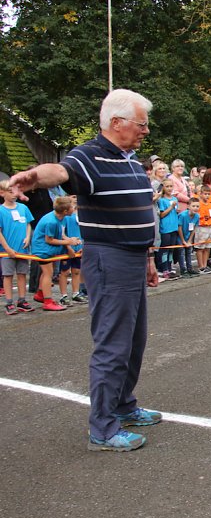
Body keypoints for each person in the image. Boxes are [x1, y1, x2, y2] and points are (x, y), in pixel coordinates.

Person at [9, 89, 162, 452]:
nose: (146, 131)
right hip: (109, 260)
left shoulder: (129, 160)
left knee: (134, 341)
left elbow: (139, 213)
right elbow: (60, 170)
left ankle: (123, 406)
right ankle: (103, 428)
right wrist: (33, 176)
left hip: (133, 259)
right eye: (141, 124)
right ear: (116, 123)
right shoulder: (89, 156)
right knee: (113, 344)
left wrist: (149, 258)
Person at [30, 196, 79, 311]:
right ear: (65, 211)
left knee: (47, 271)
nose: (74, 208)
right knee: (48, 273)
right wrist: (68, 242)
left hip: (51, 249)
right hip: (43, 249)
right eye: (72, 207)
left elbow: (61, 234)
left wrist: (70, 243)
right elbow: (49, 240)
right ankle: (47, 301)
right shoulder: (51, 221)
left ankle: (41, 294)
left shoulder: (62, 218)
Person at [0, 180, 36, 315]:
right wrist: (7, 248)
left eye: (15, 191)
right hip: (7, 251)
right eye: (10, 192)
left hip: (22, 249)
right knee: (8, 276)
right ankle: (9, 302)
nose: (14, 194)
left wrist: (28, 237)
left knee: (22, 274)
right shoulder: (1, 211)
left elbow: (28, 224)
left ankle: (22, 300)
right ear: (2, 193)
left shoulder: (23, 208)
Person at [57, 196, 87, 305]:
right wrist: (68, 247)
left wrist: (83, 246)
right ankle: (63, 296)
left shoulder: (82, 213)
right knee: (64, 272)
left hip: (79, 247)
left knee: (76, 271)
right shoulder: (65, 217)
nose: (76, 199)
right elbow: (61, 234)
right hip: (67, 248)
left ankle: (76, 293)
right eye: (73, 197)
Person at [177, 197, 201, 277]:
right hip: (180, 236)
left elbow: (194, 228)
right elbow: (179, 227)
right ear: (188, 206)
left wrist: (190, 240)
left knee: (189, 251)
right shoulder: (183, 215)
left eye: (197, 206)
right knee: (181, 252)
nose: (195, 208)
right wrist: (183, 241)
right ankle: (183, 269)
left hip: (188, 235)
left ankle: (189, 268)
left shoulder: (197, 216)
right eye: (193, 206)